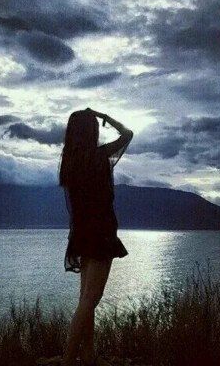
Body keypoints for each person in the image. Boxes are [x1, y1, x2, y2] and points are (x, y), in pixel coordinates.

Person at [58, 108, 134, 366]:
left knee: (85, 298)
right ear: (91, 131)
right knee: (91, 299)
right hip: (101, 232)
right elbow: (128, 134)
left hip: (82, 233)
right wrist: (105, 117)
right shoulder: (99, 156)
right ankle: (68, 360)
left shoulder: (69, 162)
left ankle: (88, 354)